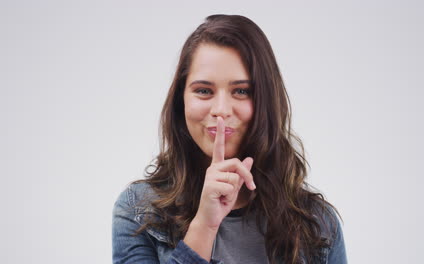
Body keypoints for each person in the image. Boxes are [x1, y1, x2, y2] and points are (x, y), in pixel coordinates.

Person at [112, 14, 347, 264]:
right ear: (181, 101)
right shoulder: (139, 209)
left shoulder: (319, 224)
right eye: (204, 91)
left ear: (266, 102)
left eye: (241, 91)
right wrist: (204, 225)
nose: (221, 109)